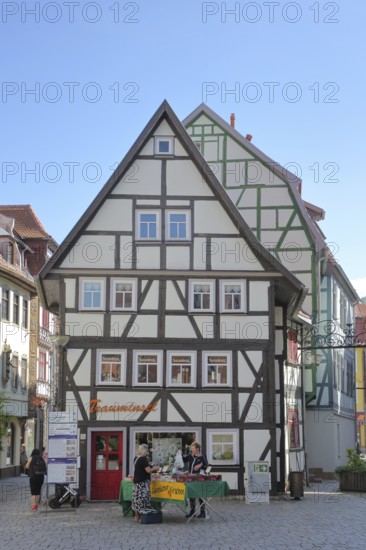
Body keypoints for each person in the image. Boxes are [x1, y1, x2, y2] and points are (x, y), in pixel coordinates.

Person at [132, 444, 159, 522]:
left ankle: (137, 517)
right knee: (143, 500)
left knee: (137, 500)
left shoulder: (136, 458)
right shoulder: (143, 459)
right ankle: (143, 517)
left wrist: (149, 464)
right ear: (144, 450)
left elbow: (140, 466)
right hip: (143, 482)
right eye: (147, 450)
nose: (147, 452)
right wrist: (155, 468)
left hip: (136, 482)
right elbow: (148, 470)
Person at [184, 441, 209, 518]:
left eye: (193, 448)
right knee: (191, 495)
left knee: (200, 495)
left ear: (197, 448)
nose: (192, 449)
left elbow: (207, 466)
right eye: (191, 448)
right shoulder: (190, 455)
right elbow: (183, 460)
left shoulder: (202, 456)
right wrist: (186, 470)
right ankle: (192, 511)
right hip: (191, 478)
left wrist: (200, 466)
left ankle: (202, 512)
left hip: (200, 478)